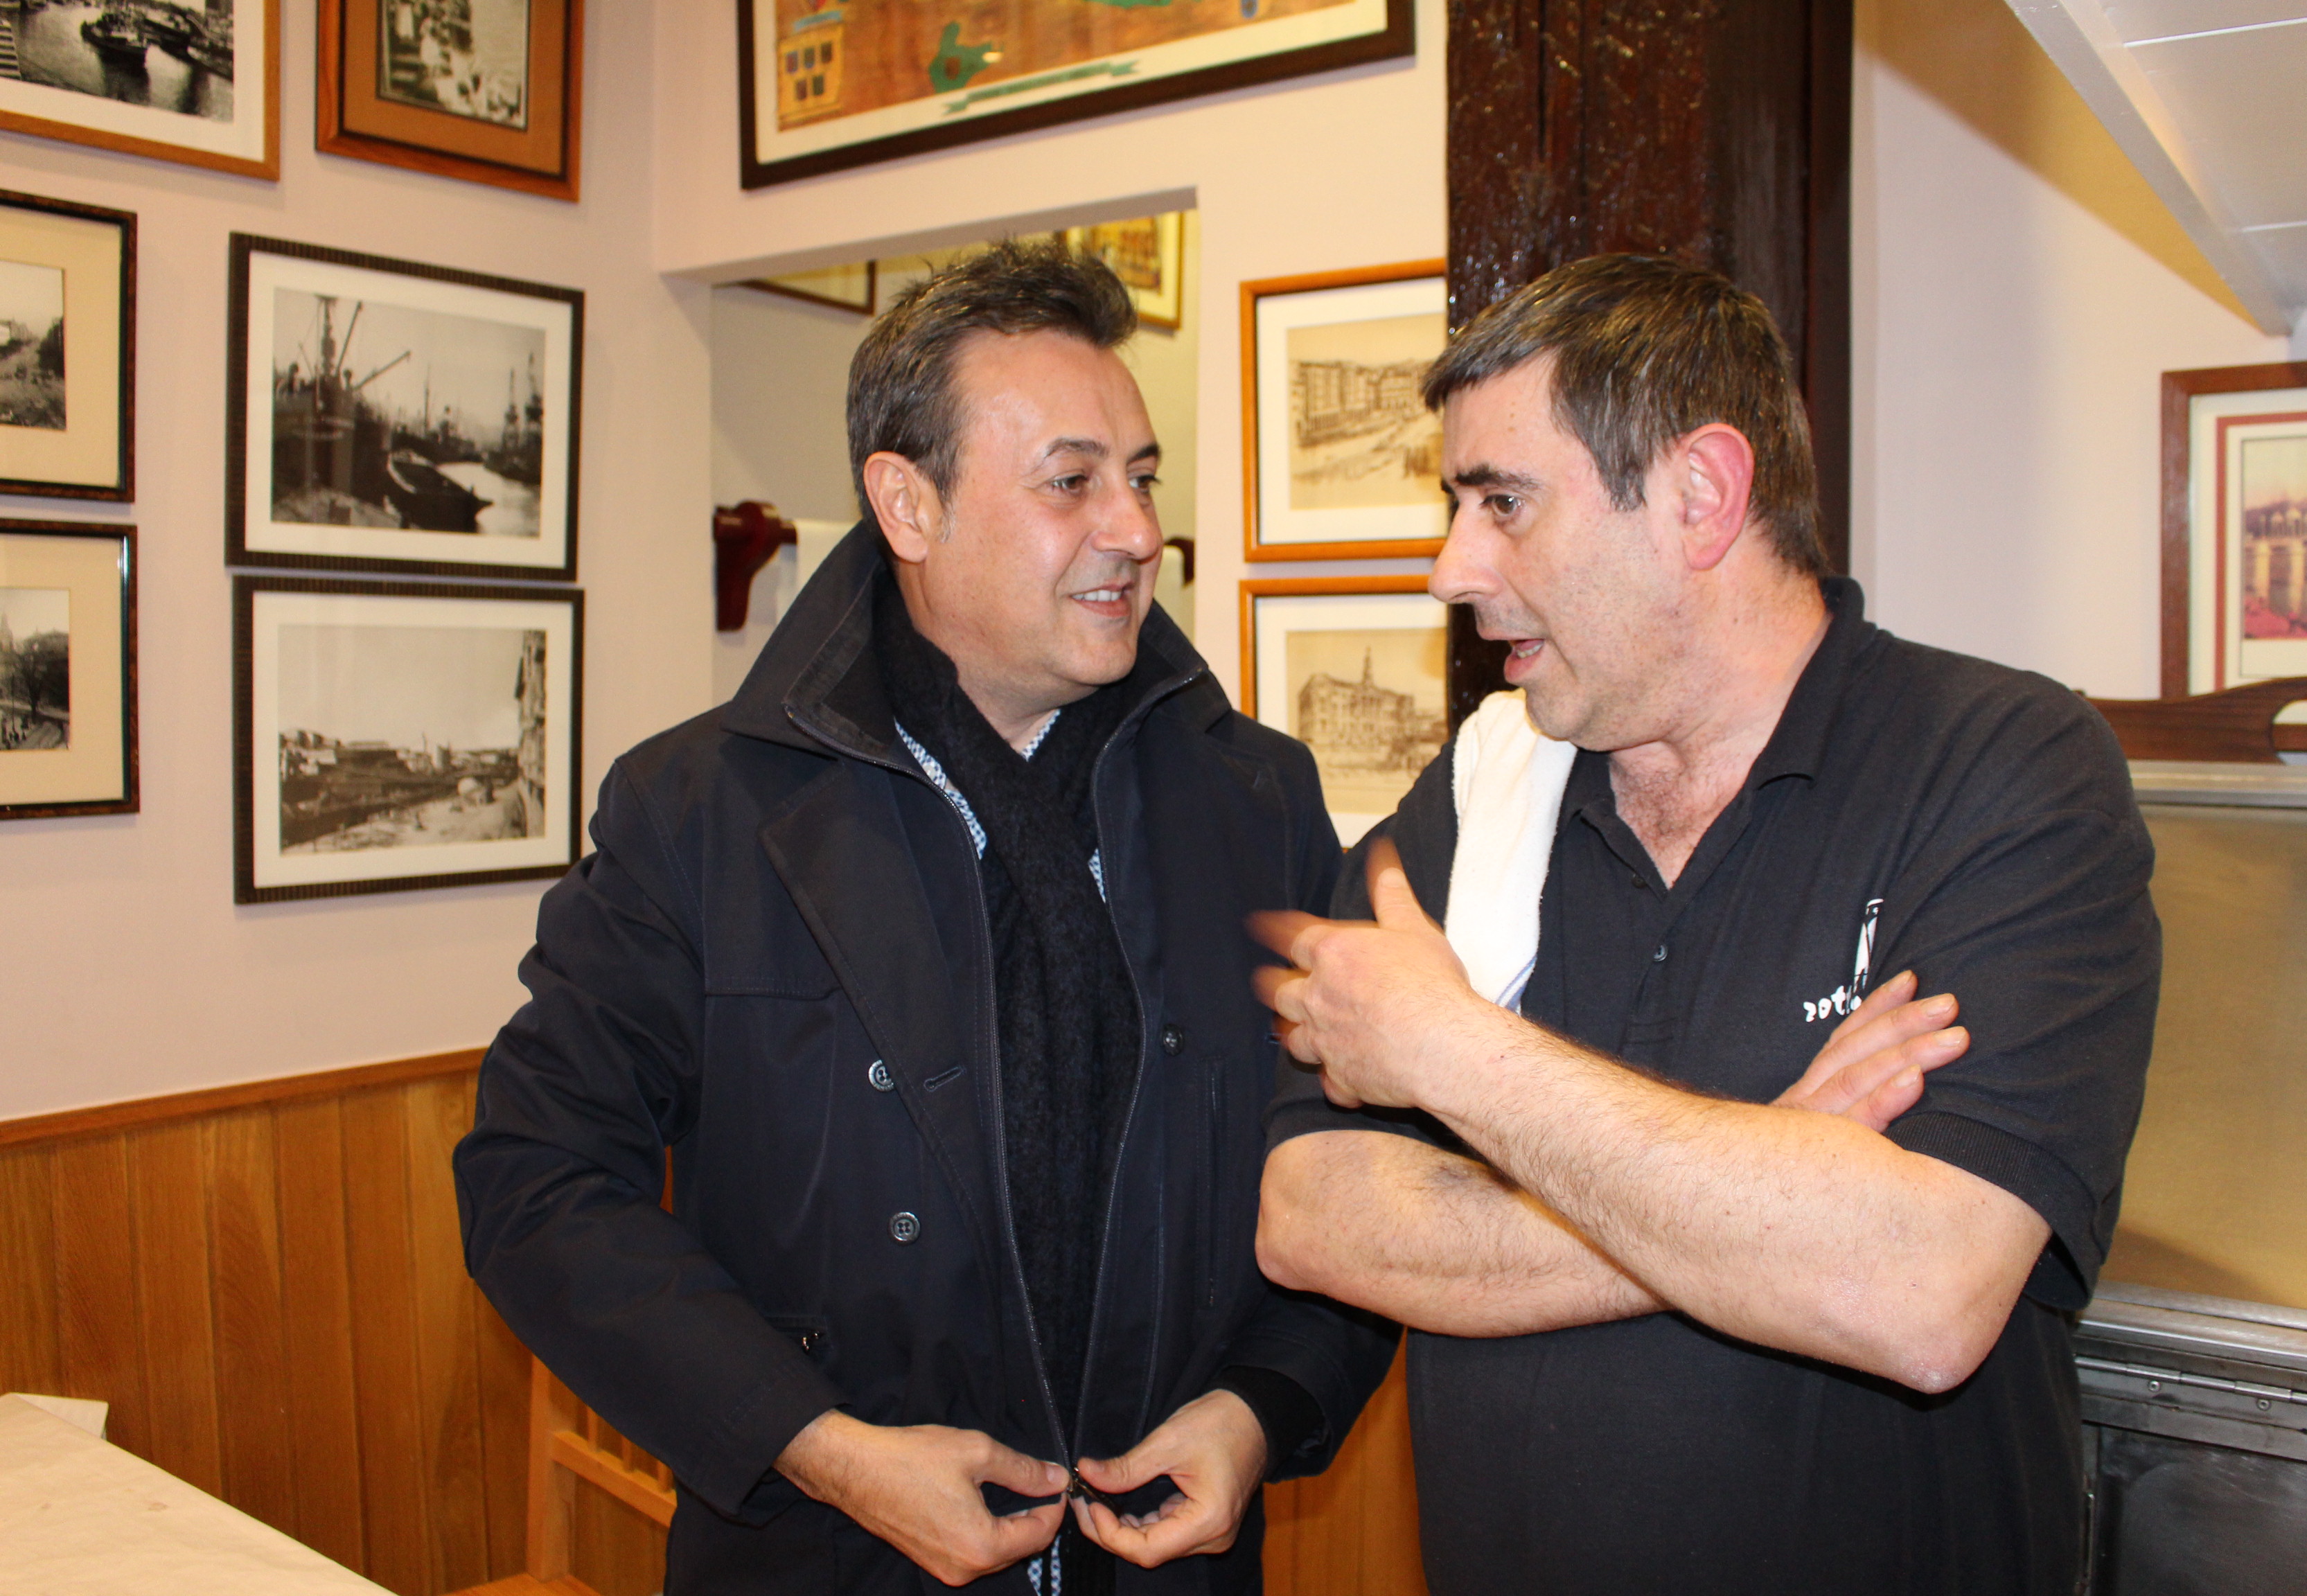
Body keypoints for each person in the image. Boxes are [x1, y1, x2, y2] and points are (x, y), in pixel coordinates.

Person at [454, 242, 1398, 1595]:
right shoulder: (703, 812)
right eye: (1071, 481)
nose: (1135, 531)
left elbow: (1357, 1168)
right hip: (824, 1562)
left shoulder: (1256, 801)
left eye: (1141, 479)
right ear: (907, 504)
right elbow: (536, 1181)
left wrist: (1262, 1408)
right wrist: (820, 1447)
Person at [1253, 254, 2161, 1595]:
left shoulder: (2001, 763)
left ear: (1701, 495)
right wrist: (1768, 1174)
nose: (1452, 568)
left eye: (1505, 503)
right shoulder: (1488, 790)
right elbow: (1310, 1212)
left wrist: (1452, 1055)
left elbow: (1919, 1294)